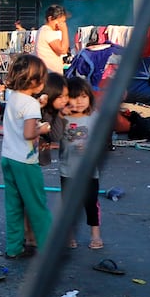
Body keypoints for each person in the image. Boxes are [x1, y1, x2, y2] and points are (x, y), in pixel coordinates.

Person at [1, 54, 52, 259]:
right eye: (42, 79)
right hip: (26, 161)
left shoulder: (12, 96)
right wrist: (44, 128)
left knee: (13, 206)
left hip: (8, 157)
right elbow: (29, 133)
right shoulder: (30, 104)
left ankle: (14, 248)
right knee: (36, 205)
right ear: (33, 81)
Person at [59, 77, 104, 250]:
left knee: (91, 203)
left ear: (90, 98)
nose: (79, 101)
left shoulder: (94, 117)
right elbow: (53, 136)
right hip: (67, 170)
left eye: (83, 96)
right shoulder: (62, 118)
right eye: (74, 97)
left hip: (89, 172)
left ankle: (95, 234)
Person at [37, 72, 68, 165]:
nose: (64, 100)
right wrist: (60, 115)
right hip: (28, 158)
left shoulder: (50, 109)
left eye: (66, 95)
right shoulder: (46, 112)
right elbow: (56, 136)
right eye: (60, 97)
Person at [35, 5, 70, 75]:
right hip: (50, 74)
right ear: (50, 19)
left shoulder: (43, 30)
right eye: (59, 22)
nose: (61, 24)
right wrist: (64, 30)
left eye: (63, 22)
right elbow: (63, 50)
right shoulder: (47, 32)